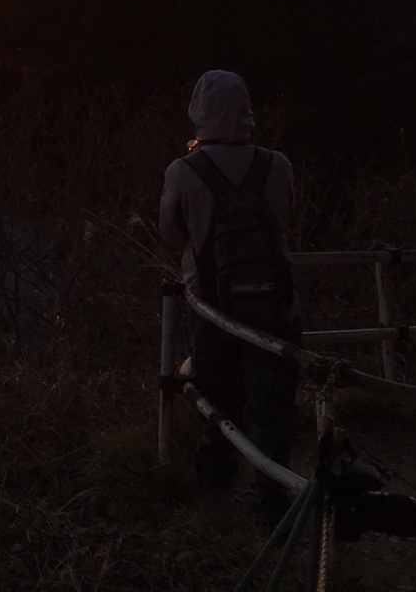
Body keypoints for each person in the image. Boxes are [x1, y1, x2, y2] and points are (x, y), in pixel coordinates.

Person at [159, 69, 301, 525]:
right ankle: (271, 496)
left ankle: (216, 474)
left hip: (213, 305)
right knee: (272, 402)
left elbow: (169, 232)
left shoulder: (183, 171)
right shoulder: (276, 164)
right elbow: (284, 219)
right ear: (246, 108)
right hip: (274, 304)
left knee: (216, 393)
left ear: (197, 110)